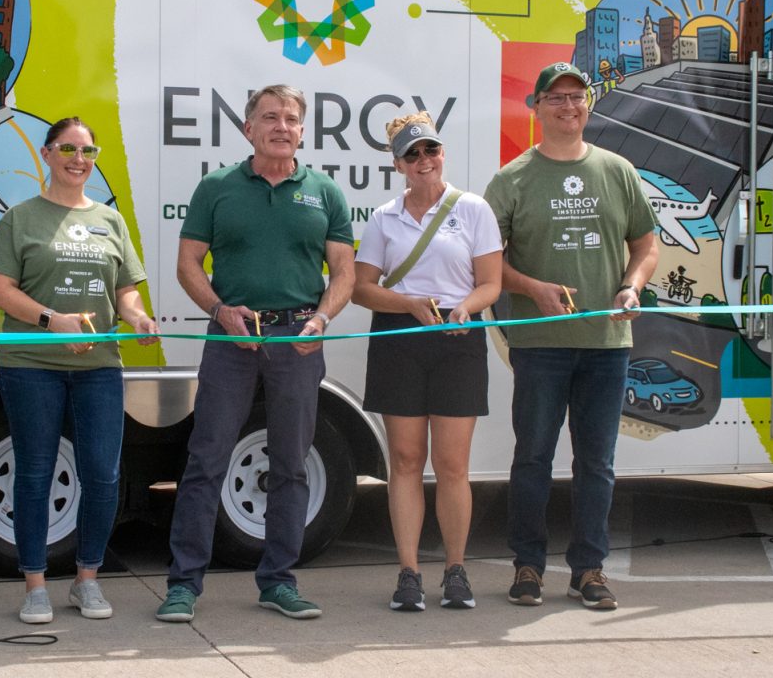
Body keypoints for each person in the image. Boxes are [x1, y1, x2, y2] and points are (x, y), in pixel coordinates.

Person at [155, 84, 355, 623]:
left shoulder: (325, 192)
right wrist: (221, 310)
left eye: (291, 118)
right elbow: (188, 265)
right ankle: (183, 585)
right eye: (270, 117)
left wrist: (322, 317)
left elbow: (345, 274)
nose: (282, 126)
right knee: (206, 459)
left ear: (302, 130)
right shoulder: (217, 187)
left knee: (291, 465)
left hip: (298, 339)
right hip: (230, 338)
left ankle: (279, 581)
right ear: (248, 128)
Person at [483, 62, 658, 611]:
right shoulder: (511, 179)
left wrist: (631, 288)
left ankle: (589, 569)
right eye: (556, 98)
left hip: (607, 345)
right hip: (540, 346)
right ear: (535, 107)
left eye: (577, 97)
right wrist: (532, 288)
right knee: (533, 458)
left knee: (597, 464)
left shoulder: (618, 171)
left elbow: (647, 245)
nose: (568, 106)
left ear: (588, 106)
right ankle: (528, 566)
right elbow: (486, 265)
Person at [0, 117, 160, 623]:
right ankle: (35, 585)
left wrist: (137, 316)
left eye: (88, 151)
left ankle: (88, 579)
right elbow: (2, 292)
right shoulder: (20, 218)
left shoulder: (110, 220)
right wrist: (51, 320)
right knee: (36, 474)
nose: (79, 159)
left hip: (99, 366)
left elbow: (124, 290)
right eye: (68, 148)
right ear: (47, 153)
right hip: (31, 364)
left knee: (102, 476)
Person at [352, 112, 502, 612]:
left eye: (430, 150)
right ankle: (409, 574)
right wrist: (411, 304)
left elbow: (490, 284)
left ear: (443, 154)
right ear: (397, 164)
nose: (423, 161)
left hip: (458, 339)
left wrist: (467, 307)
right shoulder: (383, 217)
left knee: (453, 465)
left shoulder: (475, 209)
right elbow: (362, 289)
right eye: (412, 154)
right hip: (400, 338)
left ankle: (456, 572)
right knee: (405, 462)